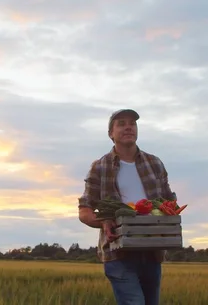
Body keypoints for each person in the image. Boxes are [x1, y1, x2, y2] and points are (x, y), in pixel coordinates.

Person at [78, 108, 177, 305]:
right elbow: (84, 210)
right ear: (111, 134)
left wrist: (170, 212)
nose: (128, 127)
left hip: (152, 252)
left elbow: (168, 200)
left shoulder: (154, 163)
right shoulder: (100, 167)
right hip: (118, 253)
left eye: (132, 123)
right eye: (121, 124)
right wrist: (104, 221)